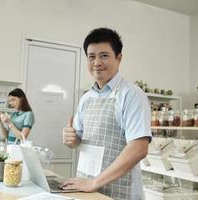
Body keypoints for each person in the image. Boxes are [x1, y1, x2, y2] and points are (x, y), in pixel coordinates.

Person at [61, 28, 152, 200]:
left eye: (104, 55)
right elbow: (79, 141)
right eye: (91, 56)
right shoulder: (86, 98)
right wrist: (71, 139)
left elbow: (139, 148)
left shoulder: (131, 94)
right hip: (87, 189)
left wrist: (94, 182)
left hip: (119, 192)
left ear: (119, 58)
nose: (96, 62)